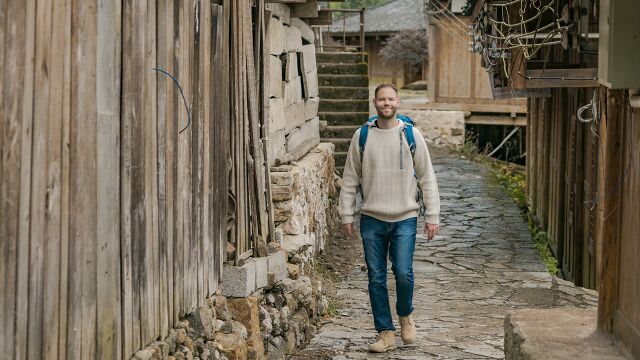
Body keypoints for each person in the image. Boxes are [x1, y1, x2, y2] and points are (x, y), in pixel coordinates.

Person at [339, 83, 440, 353]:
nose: (387, 103)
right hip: (372, 218)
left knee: (404, 273)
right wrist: (347, 213)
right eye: (382, 99)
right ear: (375, 103)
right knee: (376, 277)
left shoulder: (411, 135)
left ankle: (405, 314)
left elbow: (427, 177)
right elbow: (350, 179)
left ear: (397, 103)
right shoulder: (361, 136)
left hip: (405, 217)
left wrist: (432, 215)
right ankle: (385, 332)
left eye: (391, 99)